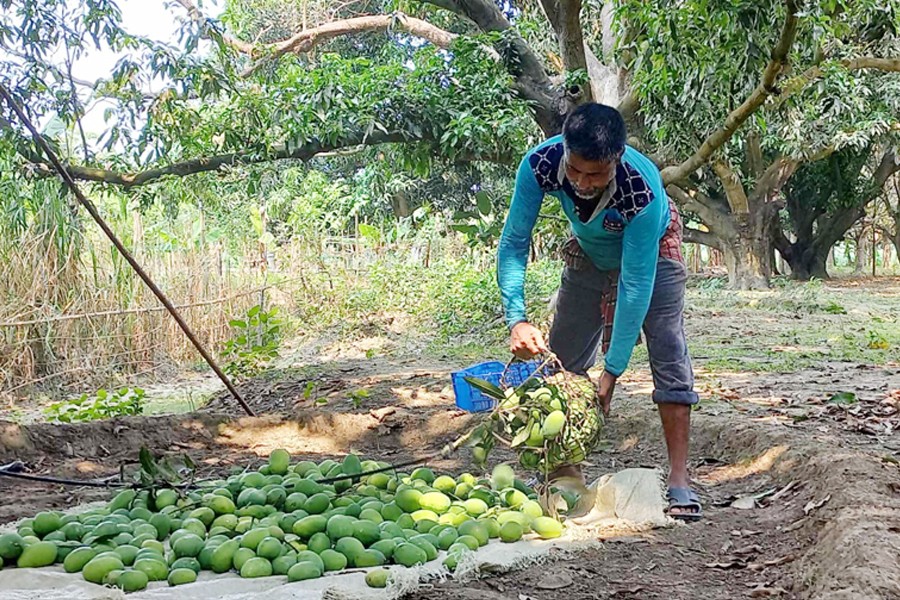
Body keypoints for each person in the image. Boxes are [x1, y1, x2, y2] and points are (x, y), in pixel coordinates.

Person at [496, 103, 701, 520]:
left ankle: (679, 478)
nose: (582, 183)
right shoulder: (539, 165)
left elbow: (636, 283)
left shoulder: (641, 188)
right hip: (589, 251)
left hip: (652, 253)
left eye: (596, 174)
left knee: (668, 350)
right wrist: (516, 317)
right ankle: (565, 474)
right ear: (564, 151)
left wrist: (613, 370)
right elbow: (515, 241)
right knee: (562, 357)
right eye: (575, 171)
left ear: (617, 159)